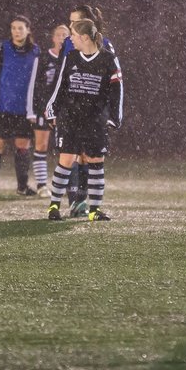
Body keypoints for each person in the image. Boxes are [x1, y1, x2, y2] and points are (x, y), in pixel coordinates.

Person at [44, 18, 122, 222]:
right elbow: (60, 86)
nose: (70, 38)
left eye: (74, 35)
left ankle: (94, 210)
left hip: (95, 121)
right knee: (66, 161)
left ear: (85, 37)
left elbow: (117, 91)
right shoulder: (70, 57)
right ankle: (53, 207)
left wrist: (115, 117)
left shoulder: (108, 59)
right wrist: (51, 109)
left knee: (96, 162)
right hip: (70, 119)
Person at [57, 5, 114, 216]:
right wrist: (57, 107)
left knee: (89, 157)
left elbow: (112, 82)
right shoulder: (68, 44)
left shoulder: (105, 46)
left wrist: (107, 112)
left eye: (74, 22)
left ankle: (88, 204)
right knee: (71, 156)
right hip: (71, 113)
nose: (70, 26)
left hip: (94, 115)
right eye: (69, 21)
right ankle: (75, 202)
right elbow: (61, 78)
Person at [0, 15, 41, 196]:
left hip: (25, 108)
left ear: (28, 30)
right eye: (13, 28)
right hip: (3, 105)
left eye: (20, 28)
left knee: (22, 144)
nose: (16, 32)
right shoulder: (4, 47)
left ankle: (22, 187)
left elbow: (38, 81)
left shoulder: (35, 51)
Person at [26, 23, 70, 197]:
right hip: (44, 109)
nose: (61, 38)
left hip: (64, 110)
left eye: (65, 35)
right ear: (53, 38)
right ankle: (42, 185)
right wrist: (31, 110)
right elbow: (33, 85)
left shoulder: (72, 57)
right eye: (58, 35)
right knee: (41, 145)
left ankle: (64, 184)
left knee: (65, 148)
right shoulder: (43, 58)